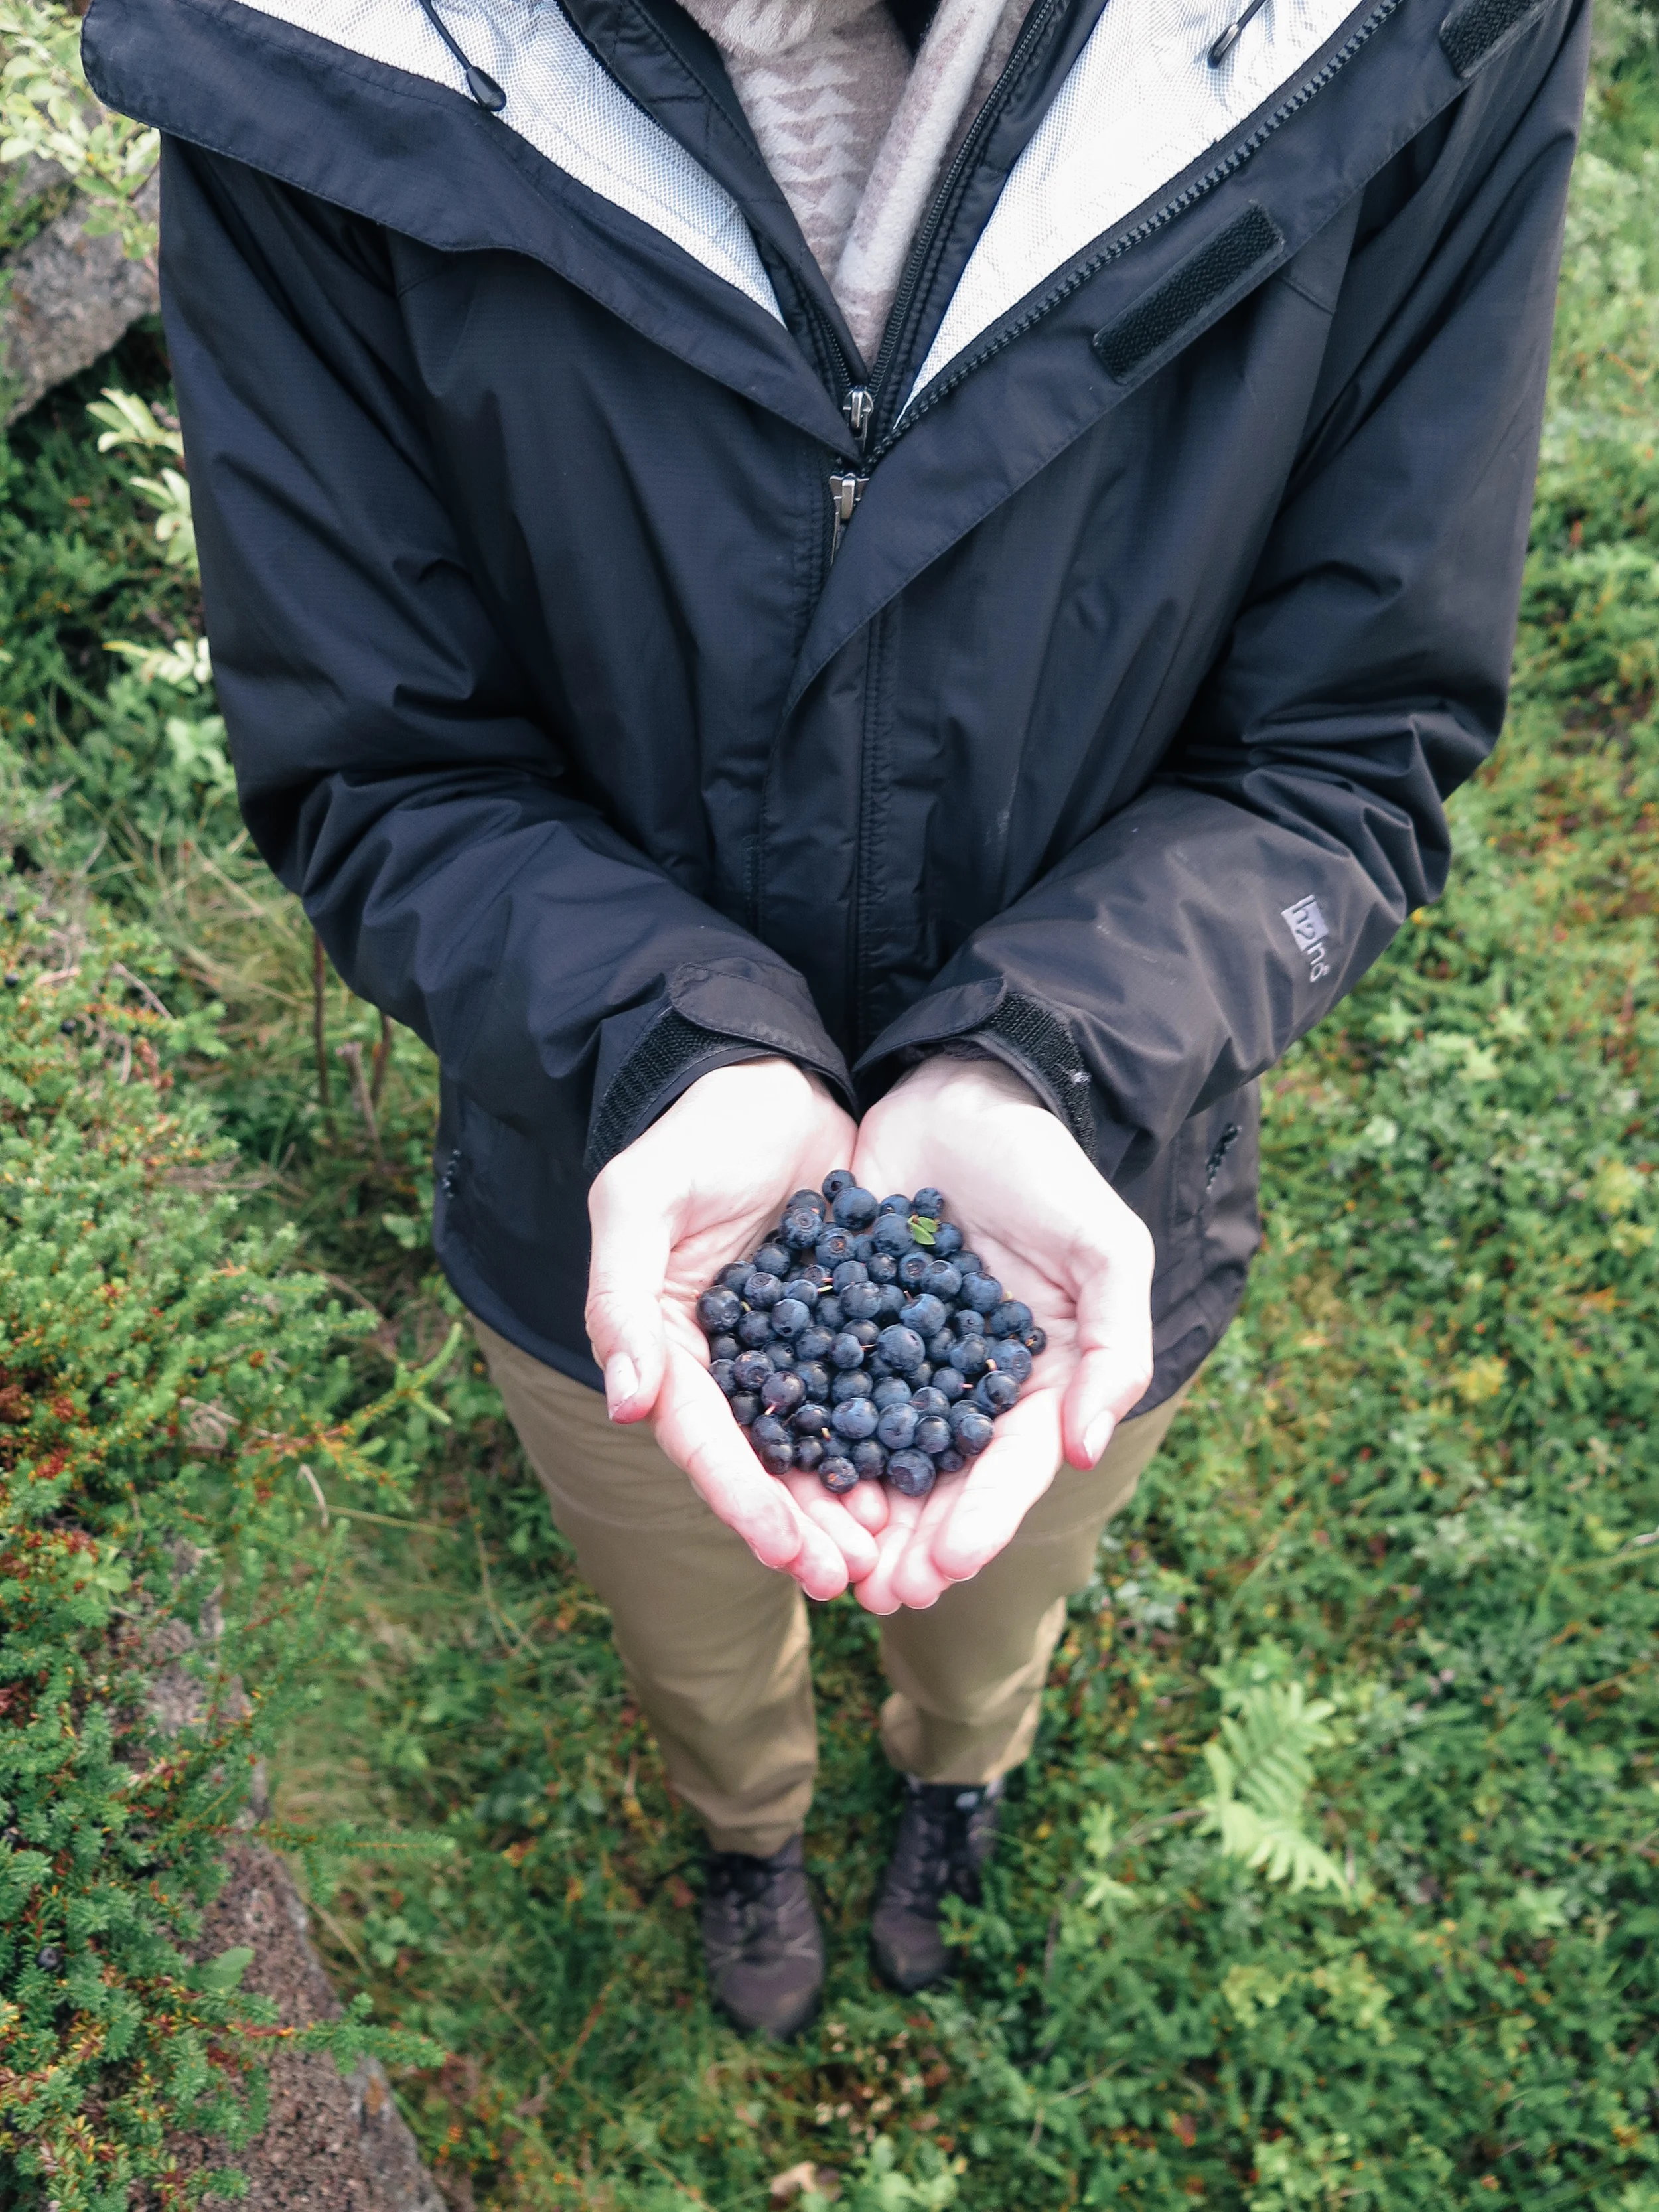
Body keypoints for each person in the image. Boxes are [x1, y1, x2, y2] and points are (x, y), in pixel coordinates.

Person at [86, 0, 1587, 2037]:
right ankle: (749, 1824)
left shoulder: (1417, 34)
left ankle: (954, 1777)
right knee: (690, 1622)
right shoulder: (305, 45)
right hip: (604, 1200)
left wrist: (1045, 1055)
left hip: (1094, 1178)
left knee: (987, 1603)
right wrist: (666, 1051)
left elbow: (1348, 744)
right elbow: (377, 765)